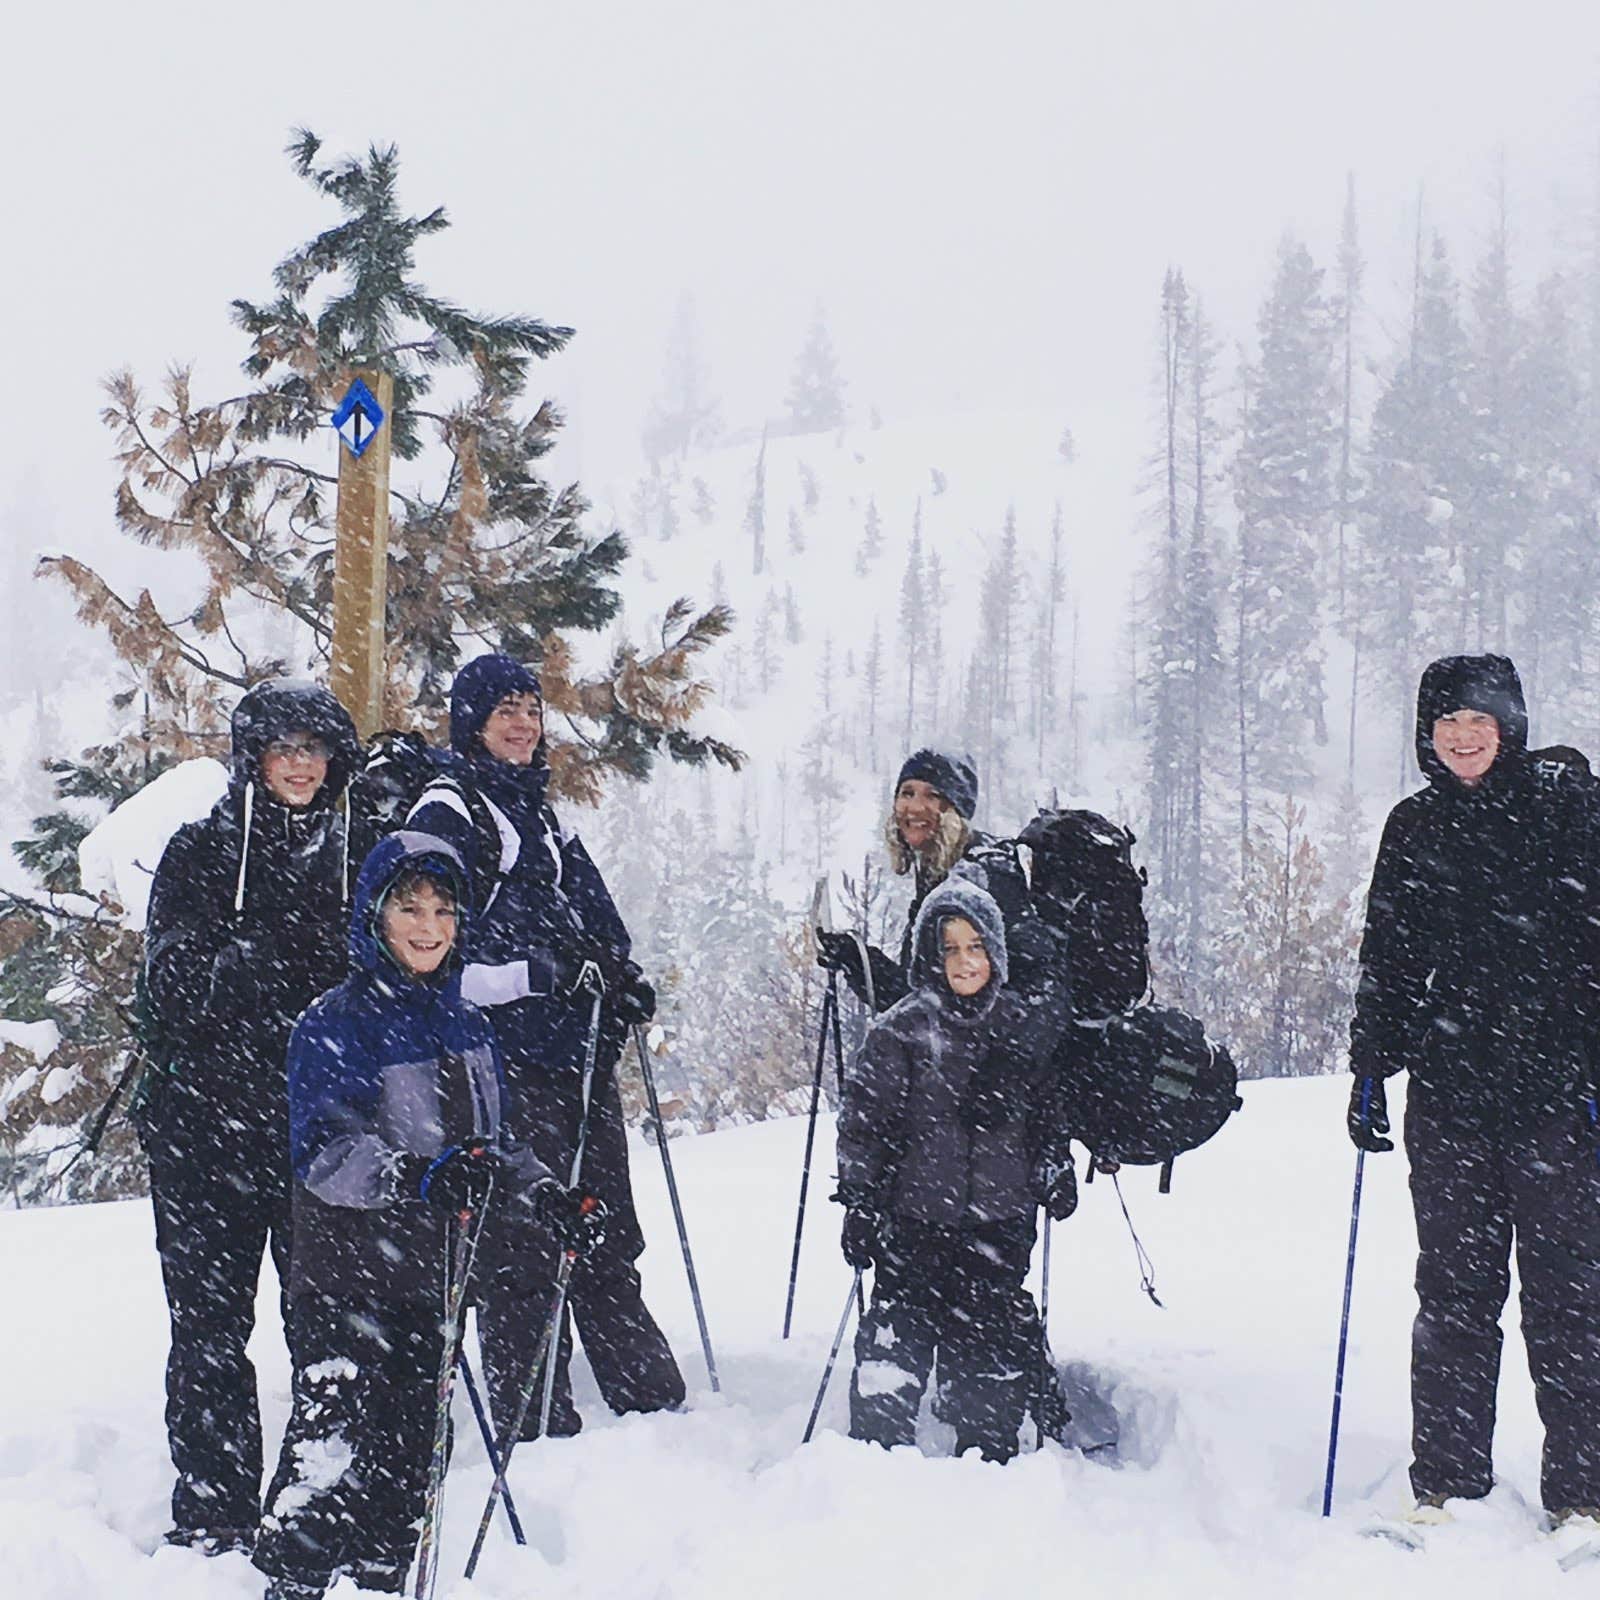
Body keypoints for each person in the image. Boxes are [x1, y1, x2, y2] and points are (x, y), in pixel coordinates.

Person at [252, 832, 599, 1600]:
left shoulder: (468, 1024)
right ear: (375, 915)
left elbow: (490, 1147)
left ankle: (380, 1583)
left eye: (443, 909)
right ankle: (294, 1587)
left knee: (409, 1463)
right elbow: (324, 1152)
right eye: (409, 906)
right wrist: (414, 1177)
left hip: (430, 1282)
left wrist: (545, 1195)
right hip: (345, 1275)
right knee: (331, 1455)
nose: (429, 925)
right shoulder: (333, 1021)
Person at [1348, 654, 1600, 1539]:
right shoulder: (1414, 826)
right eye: (1448, 723)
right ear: (1428, 734)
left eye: (1480, 723)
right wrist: (1371, 1066)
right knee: (1454, 1292)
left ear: (1510, 727)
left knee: (1569, 1293)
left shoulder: (1565, 808)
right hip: (1452, 1098)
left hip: (1556, 1099)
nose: (1463, 737)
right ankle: (1449, 1486)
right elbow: (1388, 955)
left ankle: (1584, 1492)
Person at [406, 653, 684, 1439]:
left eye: (531, 707)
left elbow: (601, 923)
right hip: (497, 1065)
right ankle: (533, 1429)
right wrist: (536, 975)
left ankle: (654, 1413)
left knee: (604, 1230)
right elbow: (430, 965)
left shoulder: (540, 813)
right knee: (523, 1246)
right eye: (506, 710)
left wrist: (619, 978)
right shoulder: (448, 813)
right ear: (471, 723)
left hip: (574, 1056)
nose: (524, 722)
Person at [140, 677, 359, 1554]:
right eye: (285, 748)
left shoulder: (357, 853)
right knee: (208, 1329)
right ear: (253, 759)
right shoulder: (199, 852)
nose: (301, 764)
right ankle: (214, 1511)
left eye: (316, 748)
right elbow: (171, 979)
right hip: (204, 1131)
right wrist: (275, 968)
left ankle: (314, 1506)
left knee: (328, 1328)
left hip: (316, 1133)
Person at [834, 878, 1076, 1463]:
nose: (965, 961)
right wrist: (861, 1201)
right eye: (950, 949)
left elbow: (1049, 1118)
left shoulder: (1022, 1030)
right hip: (914, 1221)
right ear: (931, 956)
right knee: (895, 1342)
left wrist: (1054, 1167)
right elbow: (865, 1124)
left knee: (986, 1352)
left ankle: (989, 1462)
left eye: (976, 947)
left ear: (995, 950)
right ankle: (870, 1469)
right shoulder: (902, 1029)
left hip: (998, 1221)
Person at [816, 748, 1027, 1014]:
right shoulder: (937, 873)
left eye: (933, 795)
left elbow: (1020, 995)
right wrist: (856, 959)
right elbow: (919, 999)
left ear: (956, 808)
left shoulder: (981, 879)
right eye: (907, 793)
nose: (914, 807)